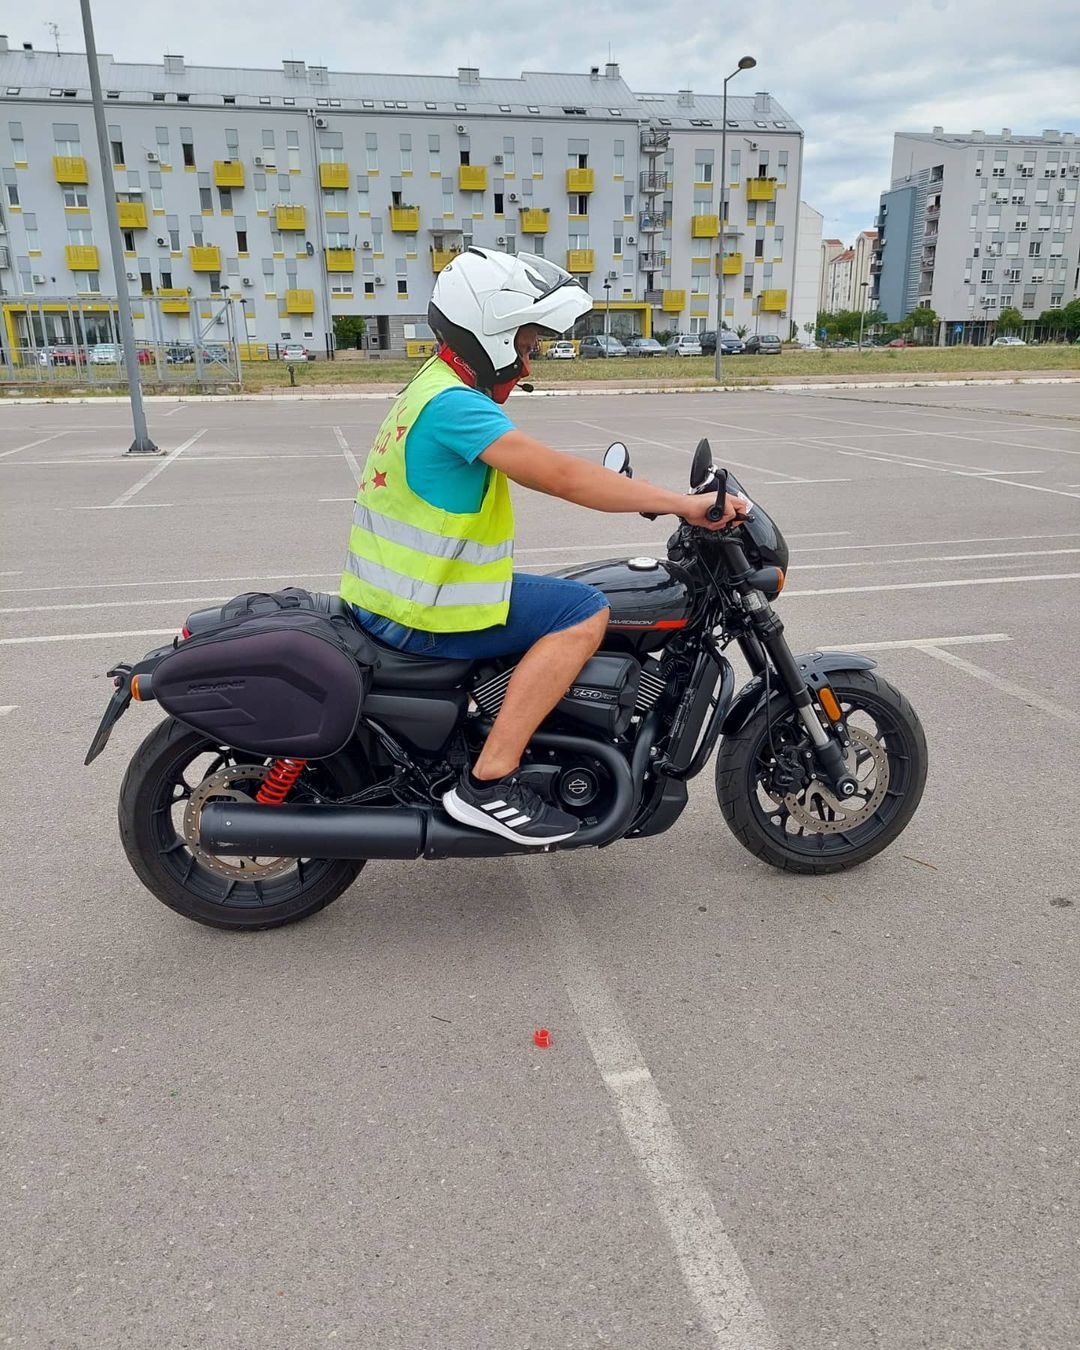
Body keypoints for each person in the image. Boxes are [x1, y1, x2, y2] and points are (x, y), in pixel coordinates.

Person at [341, 249, 747, 846]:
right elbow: (561, 476)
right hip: (421, 608)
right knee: (582, 610)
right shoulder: (456, 406)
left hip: (397, 594)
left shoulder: (431, 386)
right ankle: (489, 781)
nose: (527, 363)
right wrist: (683, 504)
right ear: (489, 331)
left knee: (559, 597)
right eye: (525, 345)